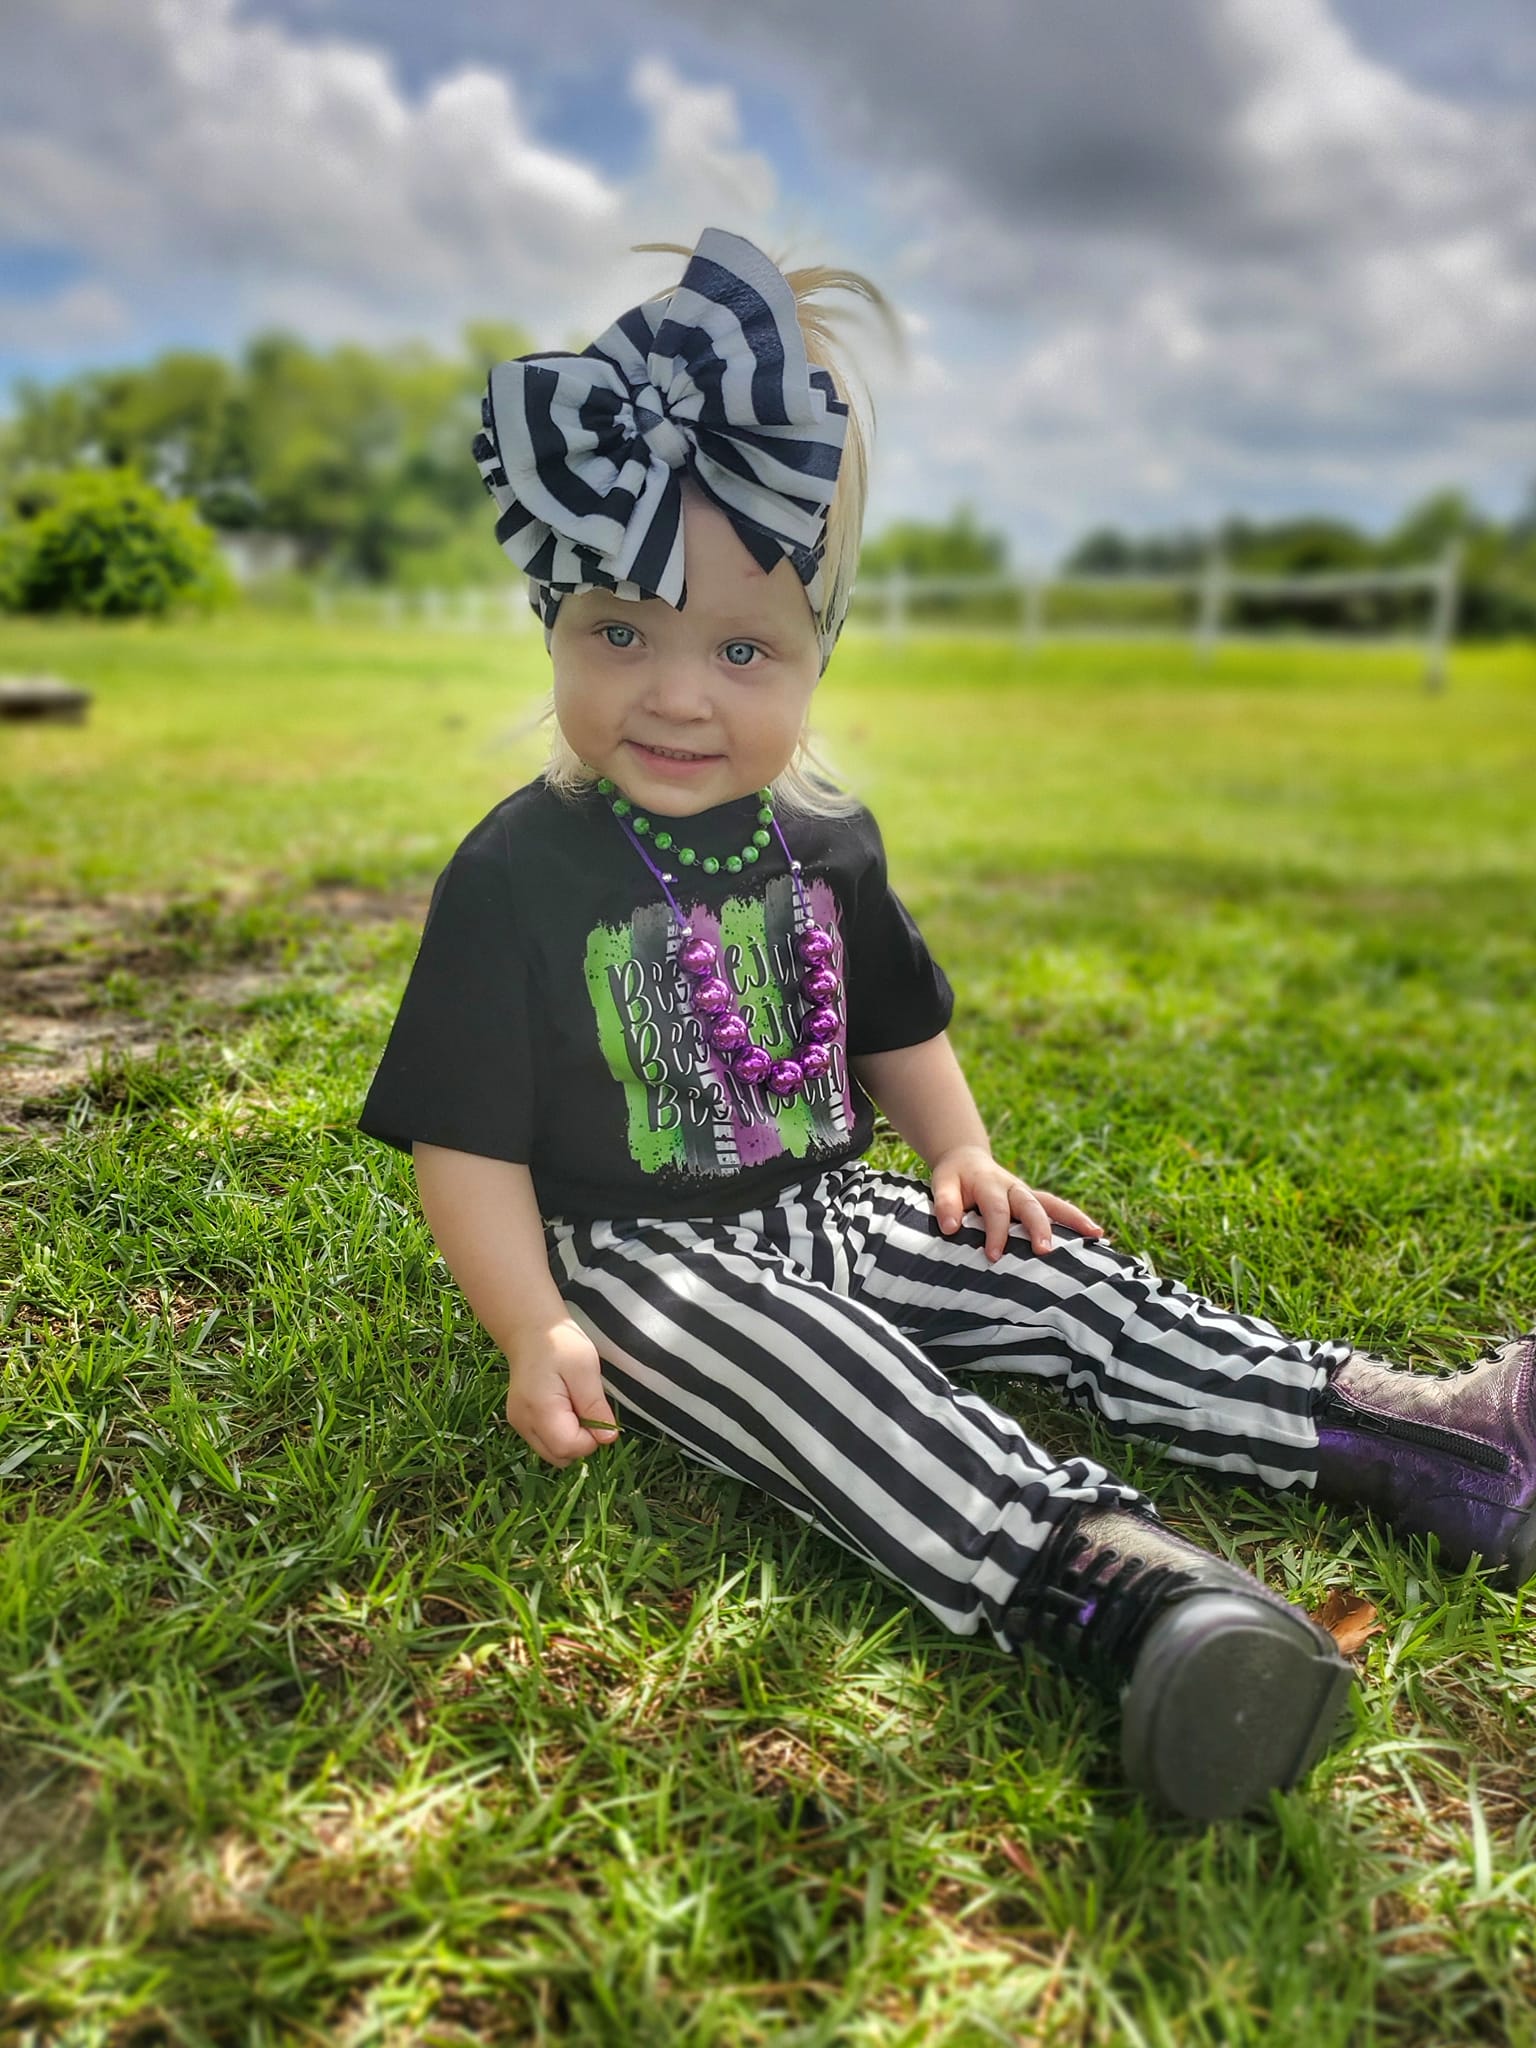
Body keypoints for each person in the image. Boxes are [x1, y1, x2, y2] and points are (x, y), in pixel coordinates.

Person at [356, 226, 1536, 1824]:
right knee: (833, 1379)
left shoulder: (827, 841)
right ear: (553, 624)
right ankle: (1123, 1598)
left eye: (743, 648)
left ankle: (1409, 1441)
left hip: (831, 1204)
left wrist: (963, 1153)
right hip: (643, 1259)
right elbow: (466, 1139)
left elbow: (895, 1025)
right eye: (619, 633)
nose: (678, 695)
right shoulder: (518, 871)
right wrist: (532, 1323)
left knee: (1066, 1288)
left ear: (820, 654)